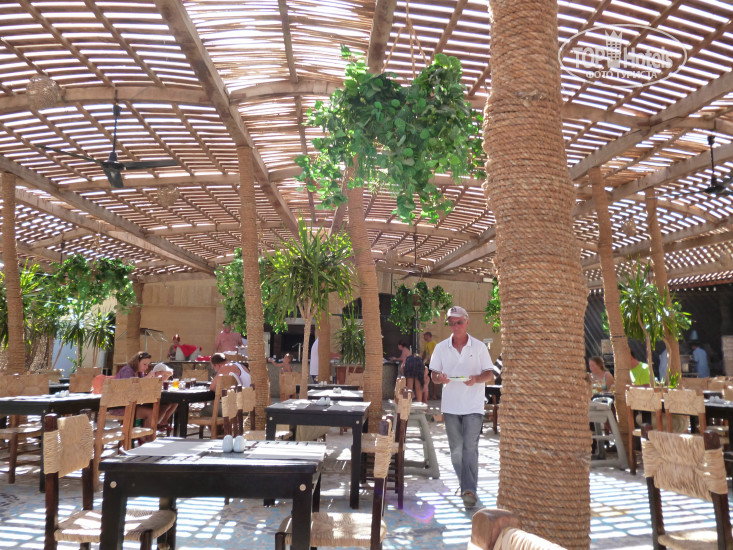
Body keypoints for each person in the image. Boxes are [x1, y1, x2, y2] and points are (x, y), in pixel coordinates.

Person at [430, 306, 493, 509]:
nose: (455, 326)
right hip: (450, 406)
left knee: (470, 448)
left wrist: (476, 379)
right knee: (456, 451)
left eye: (459, 322)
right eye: (451, 323)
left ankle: (469, 491)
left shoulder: (479, 347)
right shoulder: (441, 348)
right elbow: (433, 375)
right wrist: (439, 378)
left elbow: (489, 373)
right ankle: (466, 485)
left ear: (467, 322)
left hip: (474, 405)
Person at [115, 351, 177, 436]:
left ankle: (150, 430)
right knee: (151, 412)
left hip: (135, 402)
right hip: (122, 405)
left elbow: (143, 388)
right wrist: (147, 378)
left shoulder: (140, 373)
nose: (146, 367)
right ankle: (145, 436)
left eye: (147, 365)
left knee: (165, 404)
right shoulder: (127, 370)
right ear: (137, 362)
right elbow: (130, 387)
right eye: (144, 364)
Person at [422, 332, 438, 400]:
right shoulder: (426, 344)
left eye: (425, 336)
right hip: (427, 363)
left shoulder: (434, 343)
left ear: (428, 336)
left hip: (433, 363)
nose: (424, 338)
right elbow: (425, 352)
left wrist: (432, 358)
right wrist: (422, 360)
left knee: (434, 379)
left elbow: (436, 352)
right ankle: (427, 395)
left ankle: (434, 395)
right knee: (426, 378)